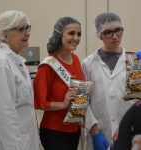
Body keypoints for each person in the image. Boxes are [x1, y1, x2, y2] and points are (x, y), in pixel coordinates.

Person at [82, 12, 133, 150]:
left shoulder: (134, 63)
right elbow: (81, 102)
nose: (115, 36)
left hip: (130, 134)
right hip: (99, 134)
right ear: (100, 35)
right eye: (108, 32)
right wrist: (95, 132)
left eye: (118, 30)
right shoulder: (87, 64)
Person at [34, 16, 86, 150]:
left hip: (74, 130)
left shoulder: (76, 59)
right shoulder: (48, 65)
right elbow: (40, 102)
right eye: (71, 33)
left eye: (79, 34)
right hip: (54, 132)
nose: (76, 38)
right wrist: (63, 103)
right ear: (59, 35)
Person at [0, 10, 40, 150]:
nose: (27, 32)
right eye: (21, 29)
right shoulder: (1, 63)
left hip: (25, 141)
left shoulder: (17, 61)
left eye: (27, 28)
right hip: (12, 144)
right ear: (4, 34)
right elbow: (3, 115)